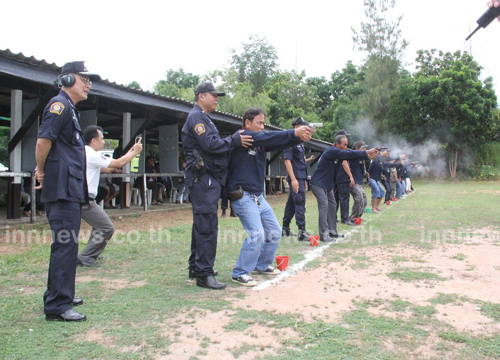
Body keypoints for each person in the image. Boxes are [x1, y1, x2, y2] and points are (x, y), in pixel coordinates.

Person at [35, 61, 101, 322]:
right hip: (62, 188)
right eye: (83, 79)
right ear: (68, 80)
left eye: (89, 80)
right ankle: (58, 306)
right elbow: (43, 141)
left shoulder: (70, 110)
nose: (88, 84)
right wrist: (41, 171)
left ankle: (60, 293)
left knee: (66, 244)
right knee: (64, 245)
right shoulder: (59, 105)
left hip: (69, 188)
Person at [228, 108, 313, 287]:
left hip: (258, 197)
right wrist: (294, 132)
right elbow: (268, 138)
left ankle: (262, 264)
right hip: (243, 196)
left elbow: (275, 142)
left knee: (274, 230)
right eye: (259, 123)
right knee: (257, 233)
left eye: (263, 123)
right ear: (247, 123)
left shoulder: (259, 140)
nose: (262, 126)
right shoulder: (243, 136)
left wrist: (297, 137)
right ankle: (240, 272)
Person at [182, 82, 253, 290]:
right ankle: (204, 273)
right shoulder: (197, 117)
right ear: (201, 96)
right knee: (207, 225)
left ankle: (196, 267)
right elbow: (210, 144)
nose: (216, 99)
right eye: (213, 95)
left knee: (202, 223)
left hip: (207, 178)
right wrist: (234, 140)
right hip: (203, 178)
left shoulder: (204, 118)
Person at [78, 125, 142, 267]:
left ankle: (90, 253)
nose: (103, 142)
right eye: (102, 139)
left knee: (99, 225)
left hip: (81, 196)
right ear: (93, 140)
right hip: (84, 198)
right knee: (107, 227)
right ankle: (86, 257)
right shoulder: (91, 154)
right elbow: (119, 163)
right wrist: (135, 152)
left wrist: (131, 151)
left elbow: (107, 168)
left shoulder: (84, 153)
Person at [310, 135, 378, 242]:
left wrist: (367, 156)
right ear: (337, 144)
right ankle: (323, 235)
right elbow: (350, 153)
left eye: (347, 144)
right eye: (344, 144)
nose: (346, 147)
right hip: (318, 184)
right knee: (324, 206)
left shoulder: (339, 154)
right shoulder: (332, 151)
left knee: (332, 206)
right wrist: (367, 152)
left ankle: (332, 231)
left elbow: (351, 156)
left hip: (327, 186)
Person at [282, 117, 315, 241]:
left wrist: (304, 178)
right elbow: (287, 161)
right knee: (300, 202)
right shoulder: (291, 141)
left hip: (301, 177)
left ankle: (285, 228)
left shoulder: (300, 143)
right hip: (296, 178)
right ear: (298, 127)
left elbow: (300, 162)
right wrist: (294, 180)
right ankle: (302, 231)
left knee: (291, 204)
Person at [333, 130, 356, 226]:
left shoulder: (334, 149)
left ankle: (333, 218)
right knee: (344, 198)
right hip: (342, 177)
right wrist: (351, 176)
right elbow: (344, 163)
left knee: (336, 198)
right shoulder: (342, 150)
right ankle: (345, 218)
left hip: (335, 178)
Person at [348, 141, 368, 223]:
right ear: (357, 148)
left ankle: (358, 216)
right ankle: (353, 217)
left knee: (364, 200)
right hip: (353, 182)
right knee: (359, 199)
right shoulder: (353, 156)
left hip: (359, 182)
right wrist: (351, 178)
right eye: (362, 148)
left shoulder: (361, 157)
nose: (364, 150)